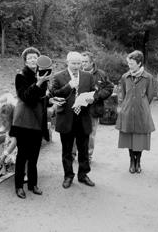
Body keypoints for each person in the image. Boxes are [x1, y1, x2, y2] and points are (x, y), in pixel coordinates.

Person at [50, 51, 96, 189]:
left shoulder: (88, 76)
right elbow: (54, 94)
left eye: (79, 63)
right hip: (66, 118)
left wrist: (92, 98)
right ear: (67, 62)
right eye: (74, 63)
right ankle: (68, 176)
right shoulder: (58, 76)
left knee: (83, 149)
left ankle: (83, 174)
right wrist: (69, 86)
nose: (76, 66)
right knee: (67, 150)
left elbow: (94, 91)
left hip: (83, 117)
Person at [11, 47, 51, 199]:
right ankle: (19, 186)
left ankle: (33, 184)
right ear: (25, 61)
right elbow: (26, 97)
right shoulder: (20, 76)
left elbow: (42, 98)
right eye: (30, 58)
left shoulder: (43, 74)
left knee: (34, 155)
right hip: (24, 120)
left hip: (37, 119)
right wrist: (38, 83)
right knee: (22, 155)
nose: (33, 60)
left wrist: (50, 98)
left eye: (35, 58)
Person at [116, 50, 155, 174]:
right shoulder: (125, 77)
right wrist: (124, 106)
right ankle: (131, 162)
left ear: (139, 63)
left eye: (131, 63)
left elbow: (149, 96)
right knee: (129, 139)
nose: (129, 66)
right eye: (128, 63)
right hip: (127, 112)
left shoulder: (148, 77)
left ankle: (138, 161)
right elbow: (122, 93)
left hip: (142, 112)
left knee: (139, 139)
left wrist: (141, 105)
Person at [72, 51, 114, 162]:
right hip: (78, 108)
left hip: (93, 109)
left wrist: (96, 97)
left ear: (92, 62)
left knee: (90, 134)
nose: (83, 64)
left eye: (86, 62)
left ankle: (88, 156)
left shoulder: (101, 74)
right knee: (75, 132)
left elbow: (109, 88)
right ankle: (72, 154)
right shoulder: (76, 72)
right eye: (82, 62)